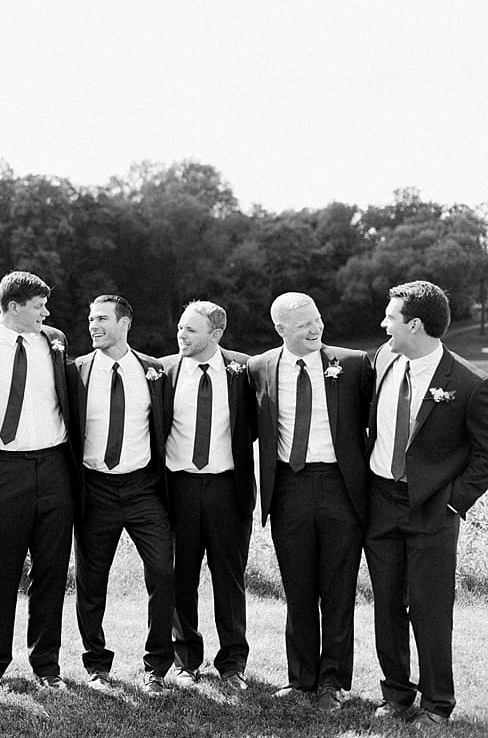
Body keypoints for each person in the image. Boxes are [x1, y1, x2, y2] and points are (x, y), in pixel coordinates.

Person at [365, 280, 488, 726]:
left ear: (414, 325)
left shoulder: (469, 384)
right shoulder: (381, 361)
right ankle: (396, 695)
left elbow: (485, 455)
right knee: (386, 605)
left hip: (434, 512)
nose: (383, 324)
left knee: (431, 609)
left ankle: (437, 704)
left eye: (390, 317)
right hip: (380, 502)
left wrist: (454, 503)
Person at [246, 292, 371, 710]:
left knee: (338, 589)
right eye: (304, 325)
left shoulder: (352, 364)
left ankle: (333, 682)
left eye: (318, 319)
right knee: (297, 589)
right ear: (281, 329)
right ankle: (300, 680)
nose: (316, 329)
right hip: (289, 487)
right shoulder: (259, 367)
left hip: (341, 486)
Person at [0, 271, 77, 690]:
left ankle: (47, 666)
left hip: (57, 467)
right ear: (13, 306)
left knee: (52, 570)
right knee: (0, 570)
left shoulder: (54, 340)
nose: (47, 311)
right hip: (1, 470)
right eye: (39, 305)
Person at [71, 294, 174, 696]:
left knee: (163, 574)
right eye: (90, 319)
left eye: (101, 319)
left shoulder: (153, 371)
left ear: (125, 322)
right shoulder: (75, 370)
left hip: (144, 488)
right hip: (94, 489)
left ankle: (156, 668)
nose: (93, 326)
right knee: (91, 580)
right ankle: (96, 664)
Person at [157, 301, 255, 690]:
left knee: (228, 578)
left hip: (227, 489)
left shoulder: (245, 370)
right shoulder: (162, 371)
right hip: (177, 487)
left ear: (215, 335)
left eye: (191, 330)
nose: (181, 335)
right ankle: (186, 660)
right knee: (180, 576)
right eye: (180, 327)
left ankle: (233, 663)